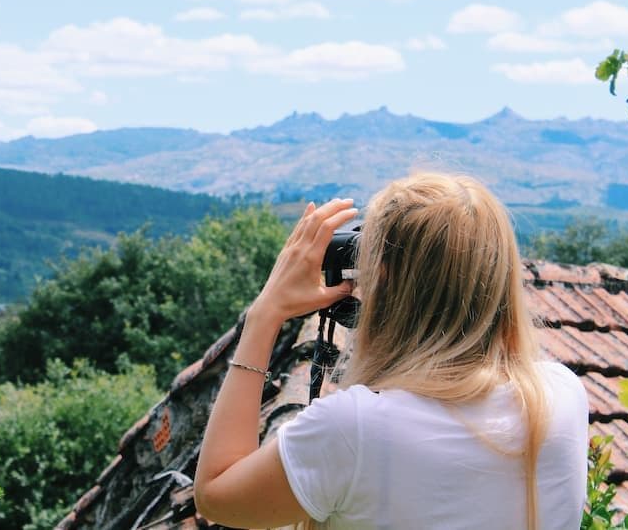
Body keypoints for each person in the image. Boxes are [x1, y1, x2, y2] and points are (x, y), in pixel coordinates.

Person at [193, 173, 589, 530]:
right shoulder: (559, 397)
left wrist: (266, 313)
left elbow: (216, 494)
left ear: (382, 280)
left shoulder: (354, 429)